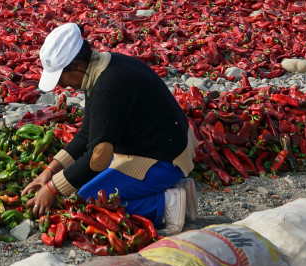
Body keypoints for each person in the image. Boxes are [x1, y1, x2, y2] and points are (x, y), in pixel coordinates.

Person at [23, 23, 198, 234]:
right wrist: (50, 172)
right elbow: (88, 133)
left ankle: (168, 203)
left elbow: (97, 159)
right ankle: (164, 191)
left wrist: (53, 189)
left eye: (61, 77)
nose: (63, 85)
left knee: (85, 204)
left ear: (77, 65)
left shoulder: (108, 86)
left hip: (162, 159)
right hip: (155, 146)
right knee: (77, 185)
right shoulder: (101, 68)